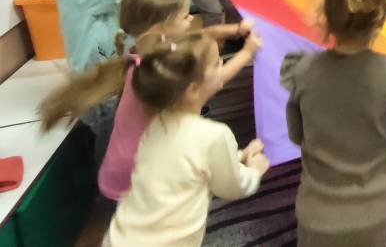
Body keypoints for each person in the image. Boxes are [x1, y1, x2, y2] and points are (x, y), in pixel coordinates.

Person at [39, 0, 260, 203]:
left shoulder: (147, 55)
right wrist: (247, 52)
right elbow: (212, 81)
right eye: (185, 17)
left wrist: (235, 29)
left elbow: (200, 36)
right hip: (139, 182)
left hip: (123, 167)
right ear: (159, 29)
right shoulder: (165, 72)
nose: (192, 19)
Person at [52, 0, 219, 167]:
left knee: (125, 126)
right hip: (98, 86)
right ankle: (109, 181)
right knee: (111, 140)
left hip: (113, 75)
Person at [280, 0, 386, 247]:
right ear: (380, 20)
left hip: (316, 214)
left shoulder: (301, 70)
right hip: (373, 213)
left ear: (327, 15)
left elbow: (296, 135)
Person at [105, 33, 269, 246]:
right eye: (216, 64)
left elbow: (190, 163)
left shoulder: (155, 123)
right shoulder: (214, 135)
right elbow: (233, 186)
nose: (222, 64)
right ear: (192, 89)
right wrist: (254, 170)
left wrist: (238, 156)